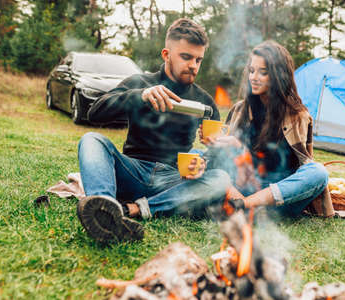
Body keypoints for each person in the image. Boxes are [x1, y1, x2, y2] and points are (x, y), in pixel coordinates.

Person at [77, 18, 230, 243]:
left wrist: (207, 160)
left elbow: (212, 159)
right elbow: (95, 113)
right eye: (186, 57)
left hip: (173, 179)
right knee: (92, 139)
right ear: (166, 54)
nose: (193, 66)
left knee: (221, 178)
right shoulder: (140, 82)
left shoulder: (204, 101)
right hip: (133, 171)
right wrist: (139, 96)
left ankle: (132, 210)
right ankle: (103, 206)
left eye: (198, 60)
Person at [203, 40, 334, 217]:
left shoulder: (298, 116)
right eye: (251, 71)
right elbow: (226, 163)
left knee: (318, 172)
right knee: (198, 156)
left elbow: (301, 166)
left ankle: (245, 205)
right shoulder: (240, 109)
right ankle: (244, 205)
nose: (254, 77)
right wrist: (224, 144)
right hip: (241, 187)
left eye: (263, 72)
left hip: (277, 197)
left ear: (278, 75)